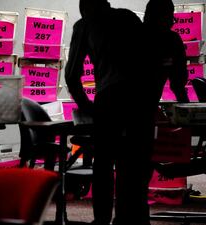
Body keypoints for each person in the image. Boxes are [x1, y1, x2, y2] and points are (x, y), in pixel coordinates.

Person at [65, 1, 157, 225]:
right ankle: (131, 218)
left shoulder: (84, 25)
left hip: (110, 99)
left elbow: (71, 76)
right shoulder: (128, 17)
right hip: (141, 99)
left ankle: (103, 219)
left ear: (85, 8)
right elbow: (149, 58)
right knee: (133, 165)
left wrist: (87, 109)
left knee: (104, 165)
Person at [144, 0, 189, 104]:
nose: (172, 20)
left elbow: (178, 81)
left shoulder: (133, 36)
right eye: (169, 15)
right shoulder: (171, 40)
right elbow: (178, 83)